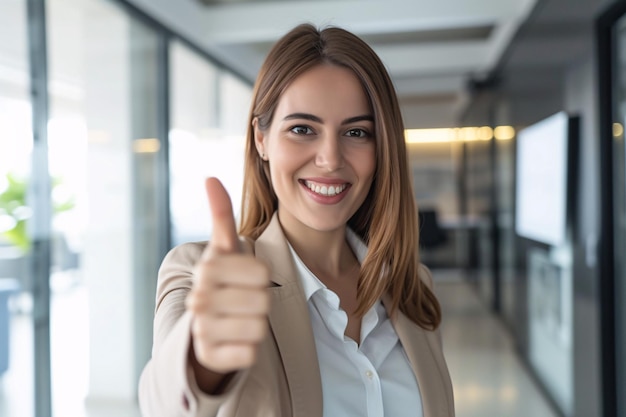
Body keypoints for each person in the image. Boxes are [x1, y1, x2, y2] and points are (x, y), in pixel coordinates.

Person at [138, 23, 455, 417]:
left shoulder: (412, 287)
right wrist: (203, 361)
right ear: (261, 139)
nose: (330, 158)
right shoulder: (197, 270)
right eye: (302, 129)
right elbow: (164, 403)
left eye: (356, 132)